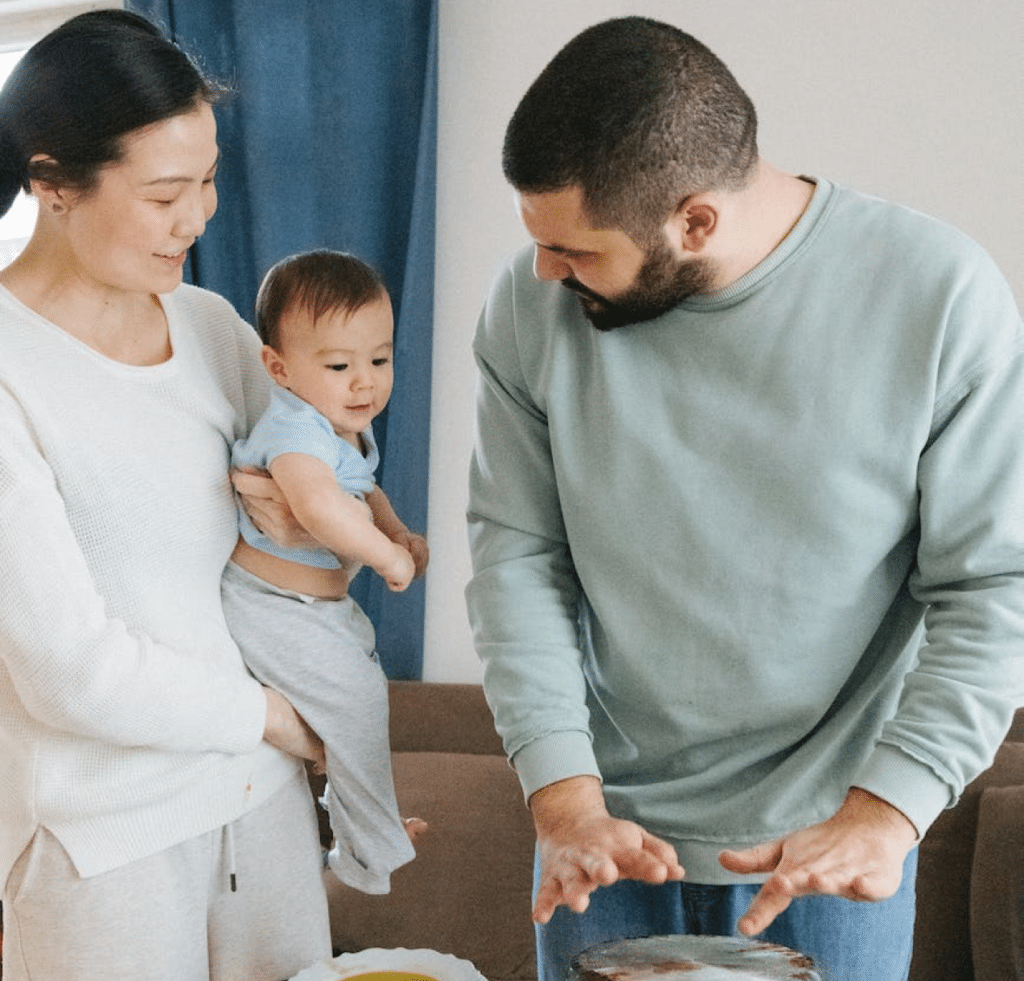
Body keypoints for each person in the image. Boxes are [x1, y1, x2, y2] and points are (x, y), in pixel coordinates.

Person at [465, 16, 1024, 981]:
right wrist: (564, 804)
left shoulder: (939, 296)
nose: (547, 272)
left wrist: (886, 812)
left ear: (695, 220)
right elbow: (517, 558)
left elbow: (993, 588)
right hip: (602, 830)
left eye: (578, 251)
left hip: (826, 847)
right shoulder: (531, 303)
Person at [0, 11, 333, 981]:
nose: (199, 217)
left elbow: (299, 539)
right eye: (163, 194)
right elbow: (71, 669)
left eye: (210, 179)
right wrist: (277, 718)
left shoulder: (215, 331)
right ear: (54, 183)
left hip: (259, 805)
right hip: (102, 840)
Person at [222, 249, 429, 895]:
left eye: (379, 359)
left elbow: (364, 492)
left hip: (321, 610)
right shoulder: (294, 430)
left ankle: (359, 825)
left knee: (357, 702)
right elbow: (316, 503)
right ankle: (366, 850)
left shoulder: (339, 425)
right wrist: (387, 555)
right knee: (358, 701)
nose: (364, 382)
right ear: (279, 369)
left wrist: (394, 528)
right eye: (339, 365)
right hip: (271, 605)